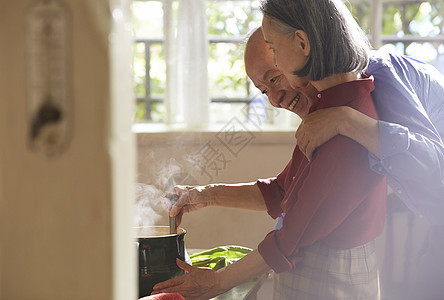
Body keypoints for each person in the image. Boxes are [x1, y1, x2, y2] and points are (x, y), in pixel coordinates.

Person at [152, 0, 388, 299]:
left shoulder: (345, 123)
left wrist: (218, 282)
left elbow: (290, 240)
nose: (274, 99)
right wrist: (203, 194)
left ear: (302, 43)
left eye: (274, 54)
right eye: (264, 91)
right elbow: (282, 192)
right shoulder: (328, 111)